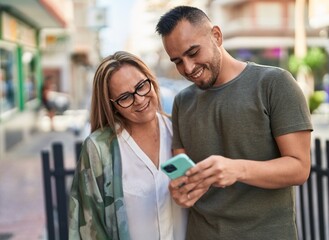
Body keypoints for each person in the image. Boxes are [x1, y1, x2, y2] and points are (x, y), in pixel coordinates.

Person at [156, 6, 313, 240]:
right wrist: (182, 191)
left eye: (193, 52)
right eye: (178, 61)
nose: (187, 68)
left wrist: (236, 169)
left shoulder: (274, 83)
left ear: (217, 36)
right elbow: (185, 177)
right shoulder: (182, 101)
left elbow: (299, 168)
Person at [68, 51, 187, 240]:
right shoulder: (99, 149)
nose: (139, 99)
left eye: (141, 86)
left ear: (151, 80)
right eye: (124, 97)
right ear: (112, 105)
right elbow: (88, 226)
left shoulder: (181, 131)